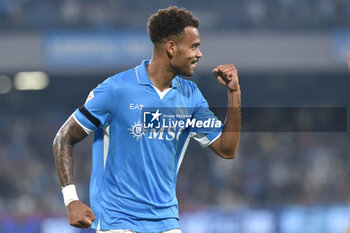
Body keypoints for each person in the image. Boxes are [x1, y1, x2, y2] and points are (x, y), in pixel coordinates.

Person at [53, 6, 241, 233]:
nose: (199, 54)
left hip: (167, 222)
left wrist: (234, 94)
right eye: (194, 47)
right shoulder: (116, 89)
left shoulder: (191, 96)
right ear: (171, 48)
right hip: (118, 222)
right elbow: (63, 138)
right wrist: (71, 199)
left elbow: (227, 149)